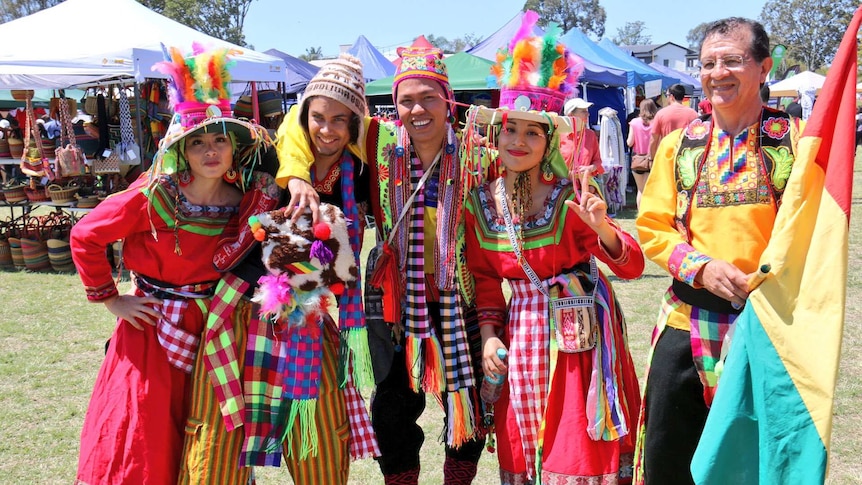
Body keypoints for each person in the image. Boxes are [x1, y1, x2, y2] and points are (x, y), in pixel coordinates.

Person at [278, 46, 488, 484]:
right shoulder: (378, 140)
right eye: (406, 99)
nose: (417, 109)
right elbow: (303, 117)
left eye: (429, 97)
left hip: (461, 296)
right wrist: (296, 176)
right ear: (393, 105)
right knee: (391, 409)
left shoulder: (478, 151)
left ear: (449, 100)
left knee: (467, 401)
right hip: (394, 299)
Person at [70, 45, 272, 485]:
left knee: (208, 436)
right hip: (151, 333)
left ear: (234, 146)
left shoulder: (246, 205)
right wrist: (111, 299)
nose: (210, 151)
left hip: (215, 331)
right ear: (182, 149)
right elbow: (86, 235)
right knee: (145, 433)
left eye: (220, 139)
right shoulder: (154, 194)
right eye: (197, 142)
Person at [461, 14, 644, 483]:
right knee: (521, 443)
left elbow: (631, 266)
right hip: (521, 334)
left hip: (576, 332)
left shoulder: (570, 200)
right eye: (510, 130)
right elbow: (484, 280)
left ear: (548, 142)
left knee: (574, 446)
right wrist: (489, 338)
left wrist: (602, 228)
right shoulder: (480, 203)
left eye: (532, 132)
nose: (518, 142)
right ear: (496, 134)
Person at [179, 54, 378, 484]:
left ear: (355, 126)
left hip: (306, 319)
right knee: (214, 455)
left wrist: (329, 241)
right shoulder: (267, 156)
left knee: (321, 448)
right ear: (303, 115)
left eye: (341, 120)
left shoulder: (359, 174)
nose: (327, 129)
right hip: (238, 314)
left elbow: (338, 272)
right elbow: (208, 160)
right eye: (319, 116)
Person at [633, 17, 802, 485]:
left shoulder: (796, 141)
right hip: (686, 319)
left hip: (768, 327)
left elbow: (809, 229)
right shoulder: (678, 146)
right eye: (708, 63)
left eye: (732, 60)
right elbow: (653, 226)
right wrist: (701, 268)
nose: (717, 72)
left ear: (764, 67)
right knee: (668, 456)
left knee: (756, 460)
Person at [648, 83, 698, 162]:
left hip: (667, 156)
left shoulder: (661, 113)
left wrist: (652, 158)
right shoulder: (693, 114)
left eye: (666, 95)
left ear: (671, 96)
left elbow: (653, 140)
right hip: (686, 157)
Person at [627, 99, 658, 209]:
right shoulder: (656, 122)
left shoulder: (634, 122)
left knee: (640, 190)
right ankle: (650, 213)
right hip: (652, 159)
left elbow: (629, 142)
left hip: (638, 159)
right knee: (651, 190)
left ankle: (641, 214)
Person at [562, 97, 604, 175]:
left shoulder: (590, 135)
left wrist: (590, 168)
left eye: (587, 111)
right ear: (571, 114)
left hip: (585, 181)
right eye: (583, 111)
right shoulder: (559, 135)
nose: (588, 114)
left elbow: (597, 161)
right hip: (561, 182)